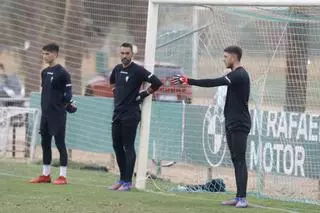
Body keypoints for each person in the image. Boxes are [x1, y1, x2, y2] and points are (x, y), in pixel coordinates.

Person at [172, 45, 251, 208]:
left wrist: (189, 81)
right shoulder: (234, 75)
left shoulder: (240, 74)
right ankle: (238, 197)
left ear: (234, 57)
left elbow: (214, 82)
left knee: (240, 160)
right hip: (231, 122)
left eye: (225, 56)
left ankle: (243, 198)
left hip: (240, 123)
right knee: (236, 160)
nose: (223, 59)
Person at [109, 42, 162, 191]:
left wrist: (144, 94)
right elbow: (112, 81)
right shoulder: (117, 69)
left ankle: (127, 182)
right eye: (122, 53)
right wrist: (115, 92)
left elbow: (157, 82)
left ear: (132, 54)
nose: (124, 56)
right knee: (116, 146)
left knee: (128, 146)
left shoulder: (138, 70)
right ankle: (121, 179)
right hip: (117, 112)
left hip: (131, 114)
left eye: (127, 53)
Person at [29, 43, 77, 185]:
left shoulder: (63, 73)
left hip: (58, 114)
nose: (44, 56)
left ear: (55, 54)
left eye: (47, 54)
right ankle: (45, 174)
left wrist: (67, 104)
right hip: (45, 114)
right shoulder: (44, 72)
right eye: (43, 53)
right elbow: (46, 93)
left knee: (60, 143)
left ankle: (62, 176)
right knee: (45, 143)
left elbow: (68, 94)